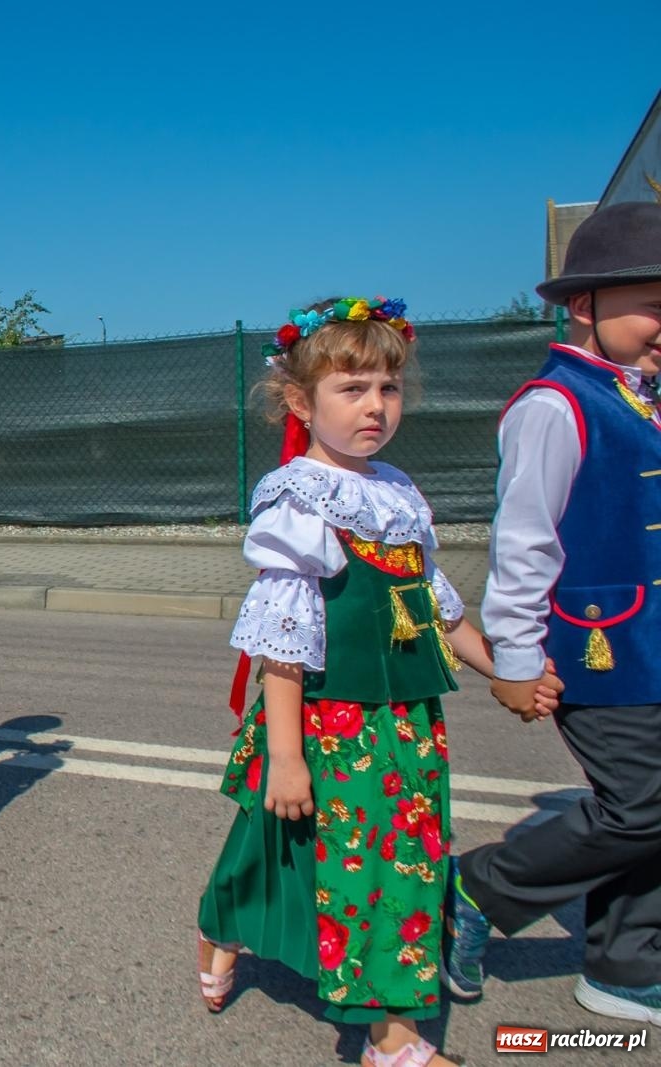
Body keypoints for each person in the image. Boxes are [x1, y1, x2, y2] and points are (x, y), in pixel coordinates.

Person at [196, 297, 558, 1067]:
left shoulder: (397, 493)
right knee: (312, 848)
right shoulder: (298, 500)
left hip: (406, 720)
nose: (375, 406)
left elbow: (433, 605)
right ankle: (386, 1032)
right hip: (330, 723)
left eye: (388, 388)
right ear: (300, 401)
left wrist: (511, 667)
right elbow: (281, 646)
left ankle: (368, 1015)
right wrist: (287, 756)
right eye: (351, 388)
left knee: (404, 861)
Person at [446, 200, 661, 1026]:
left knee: (648, 809)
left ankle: (623, 964)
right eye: (655, 305)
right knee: (642, 805)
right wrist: (515, 657)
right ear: (585, 305)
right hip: (598, 649)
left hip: (652, 643)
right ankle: (476, 888)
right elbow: (525, 542)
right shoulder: (554, 403)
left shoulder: (641, 395)